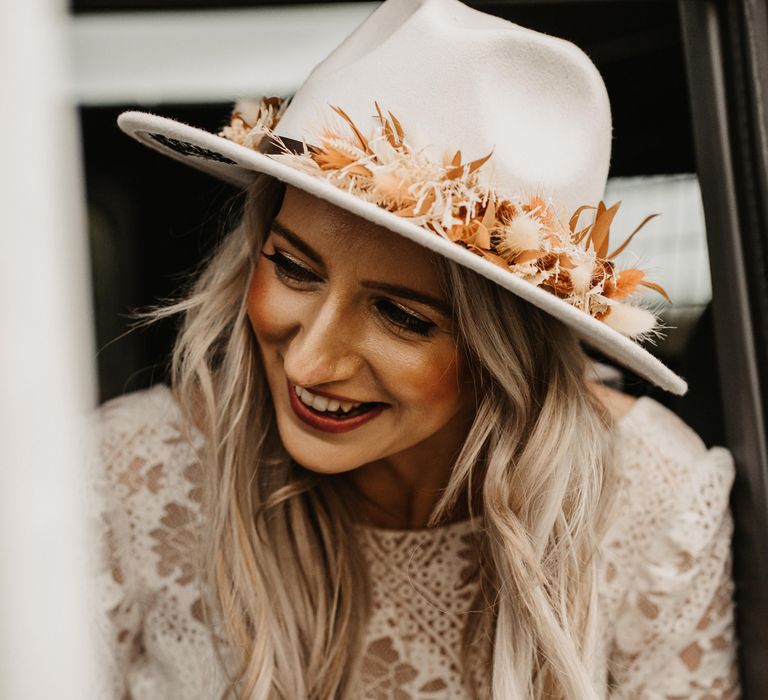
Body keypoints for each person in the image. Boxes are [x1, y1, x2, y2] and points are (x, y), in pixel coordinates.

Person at [91, 0, 740, 698]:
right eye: (294, 268)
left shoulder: (651, 501)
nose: (311, 363)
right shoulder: (124, 478)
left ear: (510, 351)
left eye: (401, 316)